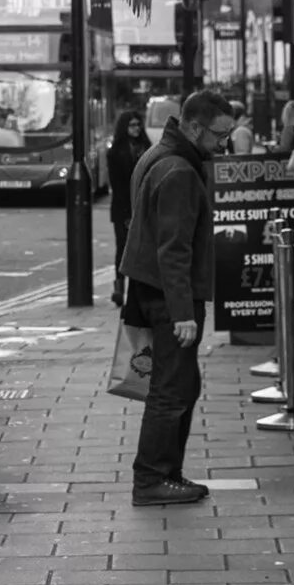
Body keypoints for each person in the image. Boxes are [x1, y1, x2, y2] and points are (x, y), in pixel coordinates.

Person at [119, 89, 236, 507]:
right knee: (171, 389)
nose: (224, 144)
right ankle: (151, 478)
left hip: (148, 290)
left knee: (182, 384)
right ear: (192, 126)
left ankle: (167, 472)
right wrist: (183, 313)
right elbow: (174, 249)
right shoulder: (180, 172)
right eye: (219, 135)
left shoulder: (156, 155)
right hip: (169, 297)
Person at [106, 109, 152, 307]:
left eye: (138, 124)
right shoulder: (115, 152)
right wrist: (127, 214)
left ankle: (138, 291)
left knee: (142, 250)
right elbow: (118, 186)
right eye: (132, 125)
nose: (136, 128)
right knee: (123, 248)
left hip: (144, 207)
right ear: (124, 127)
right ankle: (119, 288)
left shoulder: (148, 148)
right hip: (123, 208)